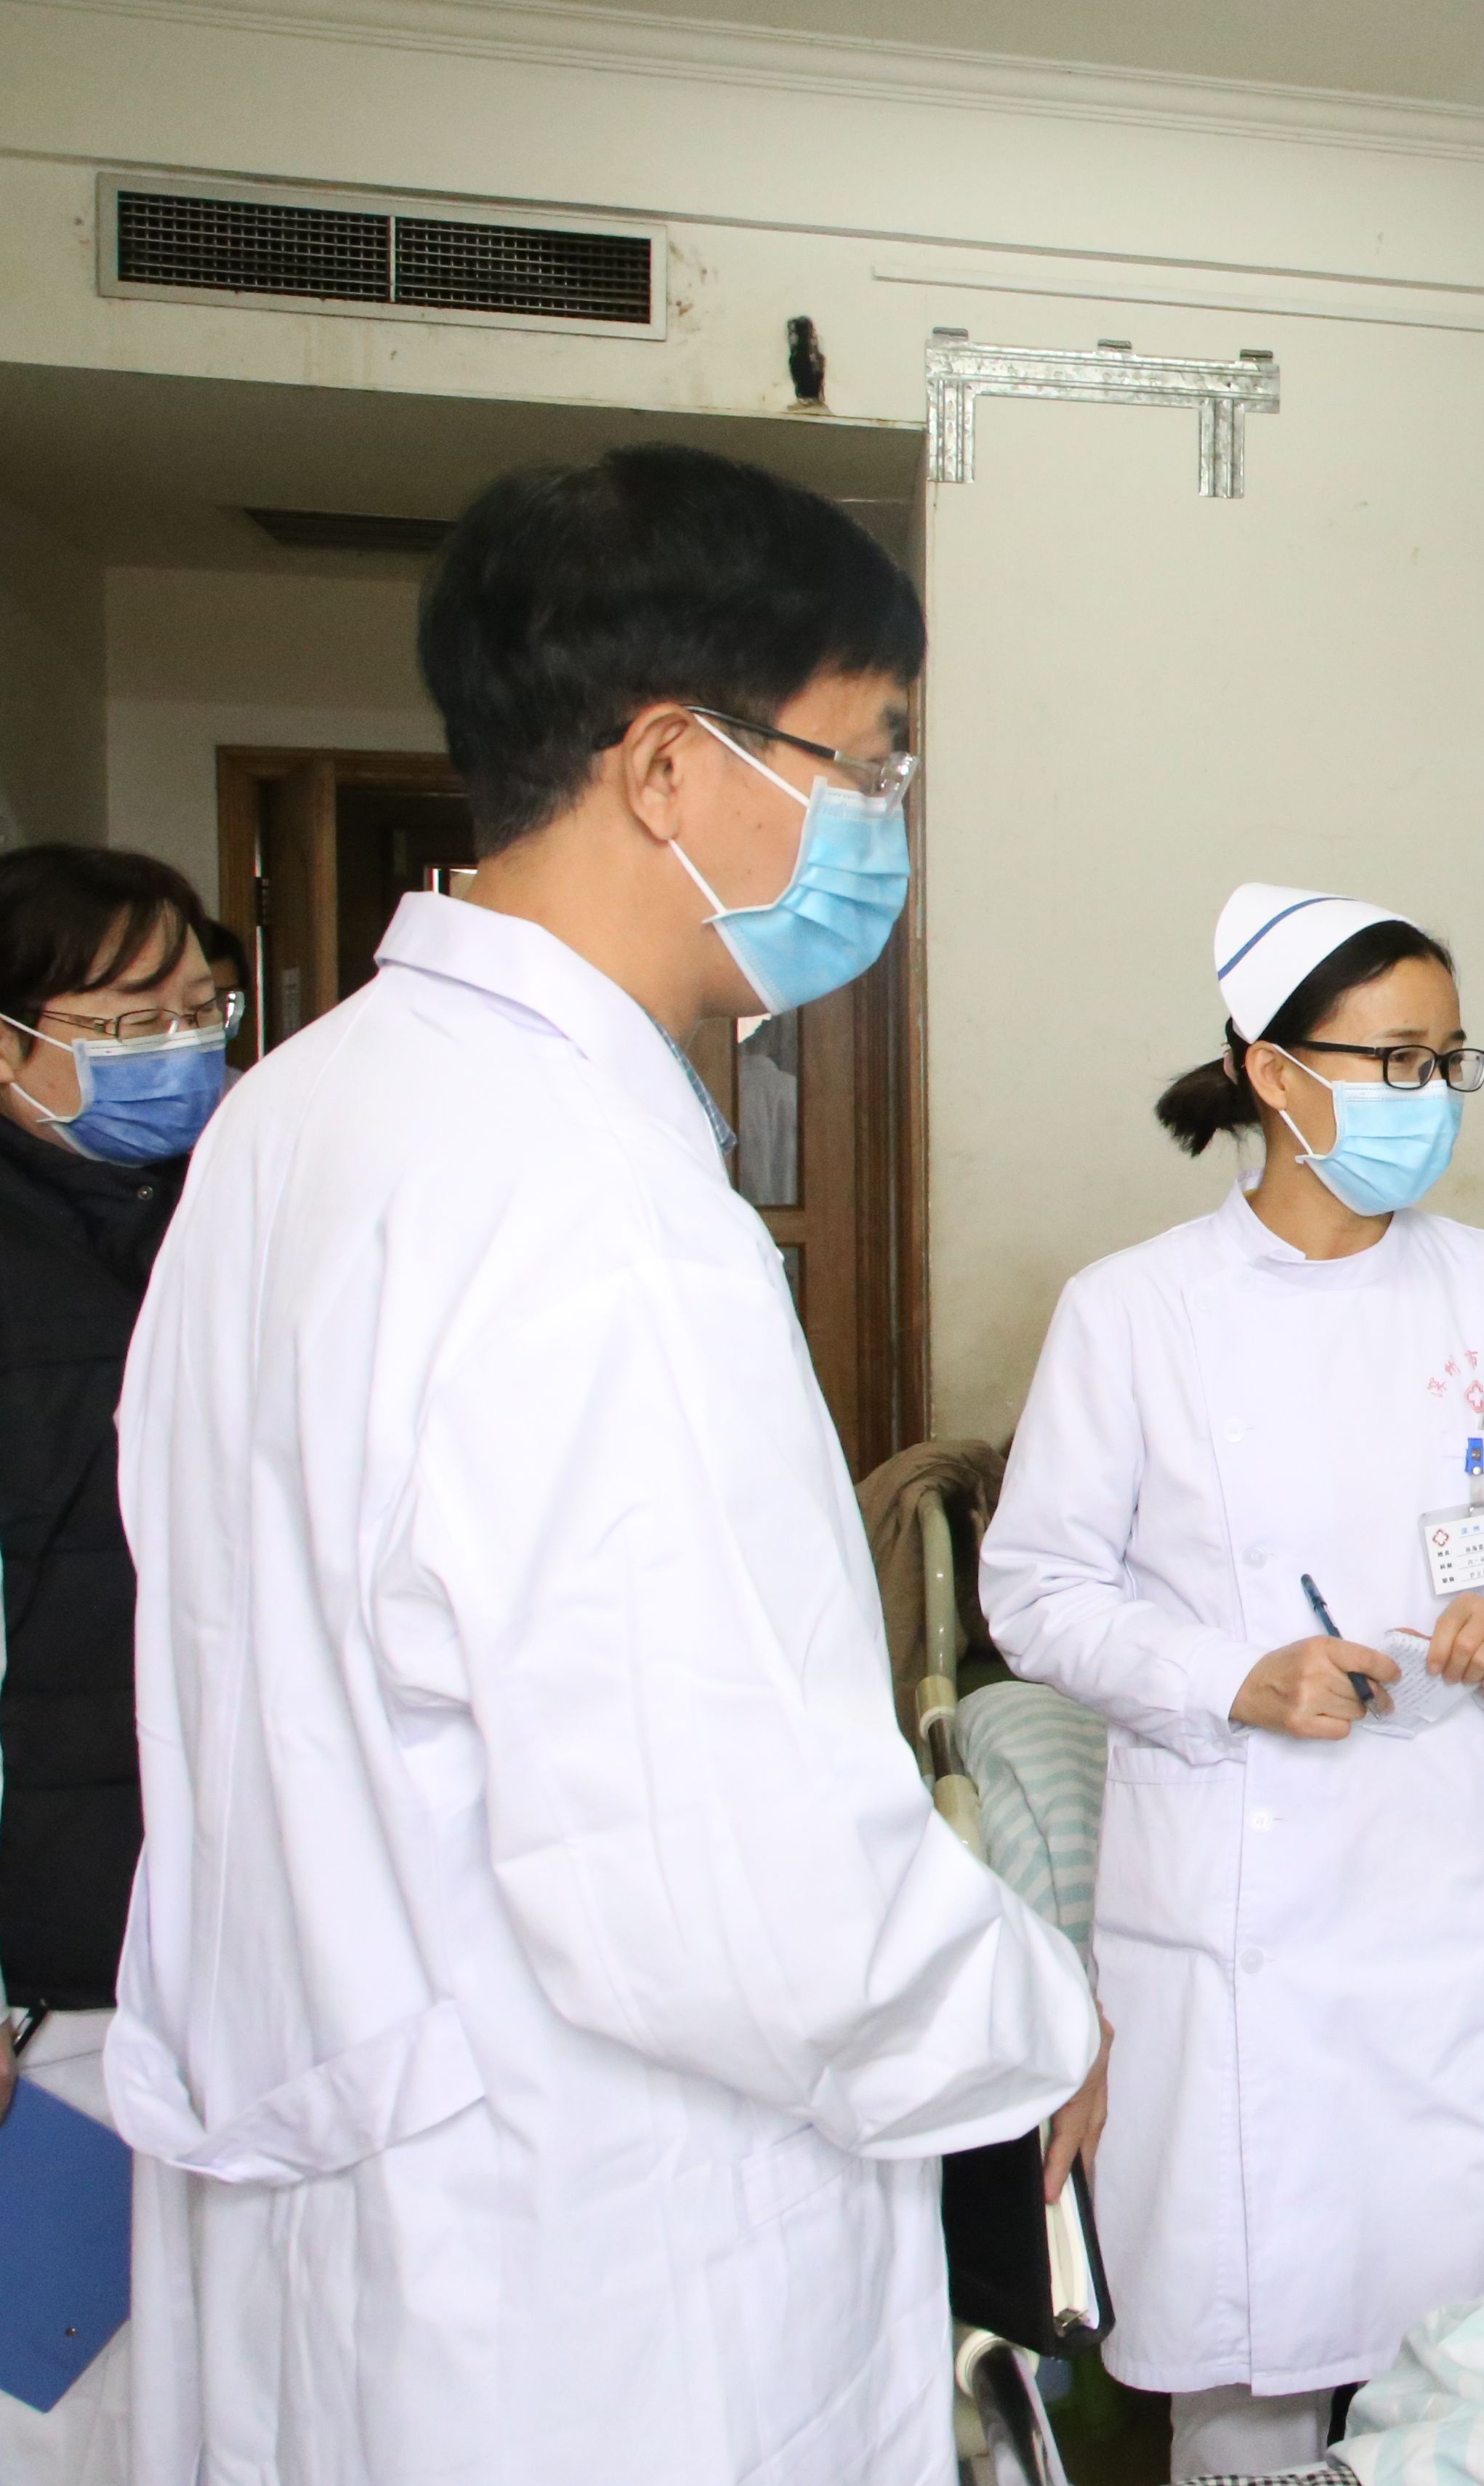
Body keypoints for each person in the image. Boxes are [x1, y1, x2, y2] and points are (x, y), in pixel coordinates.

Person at [107, 444, 1101, 2485]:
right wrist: (1032, 2026)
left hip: (361, 2196)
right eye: (865, 760)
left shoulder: (300, 1115)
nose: (884, 822)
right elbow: (732, 1888)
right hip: (586, 2274)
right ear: (667, 764)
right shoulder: (592, 1210)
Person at [979, 883, 1484, 2477]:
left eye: (1449, 1060)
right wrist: (1233, 1677)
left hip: (1455, 1902)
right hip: (1249, 1916)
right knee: (1253, 2392)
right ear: (1272, 1073)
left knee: (1483, 2366)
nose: (1432, 1095)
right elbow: (1034, 1592)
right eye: (1396, 1059)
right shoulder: (1135, 1314)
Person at [0, 846, 235, 2485]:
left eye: (201, 1010)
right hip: (51, 1974)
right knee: (59, 2410)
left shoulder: (211, 1222)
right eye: (128, 1021)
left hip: (203, 1941)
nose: (178, 1050)